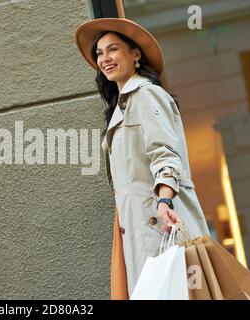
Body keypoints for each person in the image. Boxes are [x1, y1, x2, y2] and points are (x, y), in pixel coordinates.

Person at [74, 18, 210, 299]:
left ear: (136, 54)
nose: (104, 58)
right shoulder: (124, 104)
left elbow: (165, 155)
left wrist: (164, 200)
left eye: (112, 49)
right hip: (137, 231)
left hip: (159, 227)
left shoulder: (146, 95)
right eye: (99, 53)